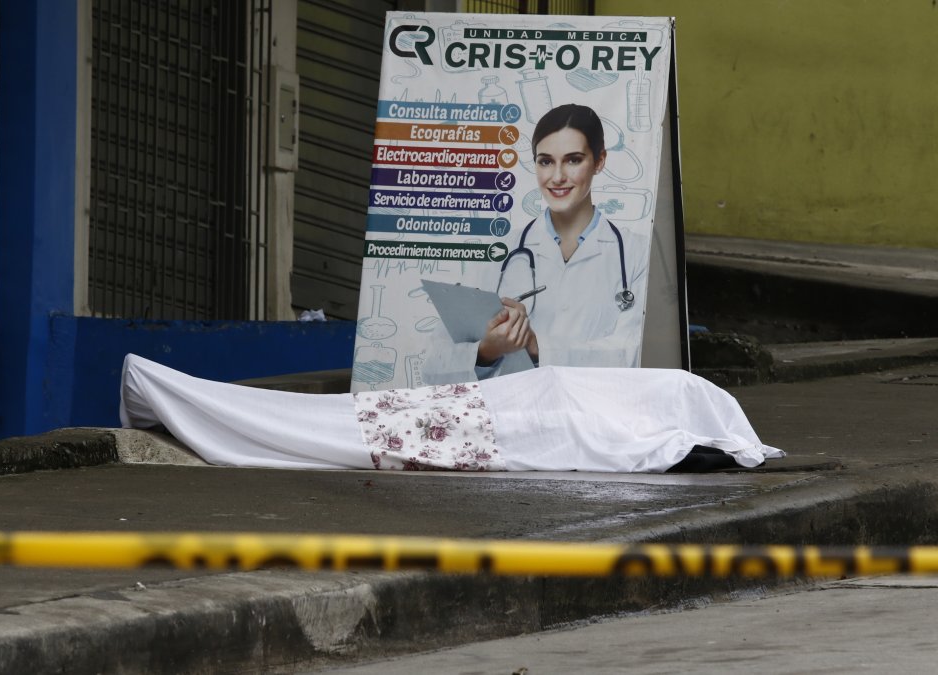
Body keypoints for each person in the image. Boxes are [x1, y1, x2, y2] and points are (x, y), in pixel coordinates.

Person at [120, 354, 784, 474]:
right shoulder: (682, 408)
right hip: (512, 412)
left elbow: (622, 439)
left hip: (511, 416)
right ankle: (172, 394)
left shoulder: (680, 404)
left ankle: (172, 394)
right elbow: (627, 442)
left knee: (350, 424)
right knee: (353, 423)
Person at [423, 103, 648, 385]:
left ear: (600, 161)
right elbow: (434, 362)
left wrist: (536, 345)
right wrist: (486, 352)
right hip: (513, 414)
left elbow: (634, 356)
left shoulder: (636, 254)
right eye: (546, 161)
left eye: (573, 160)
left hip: (592, 416)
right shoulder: (502, 252)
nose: (557, 177)